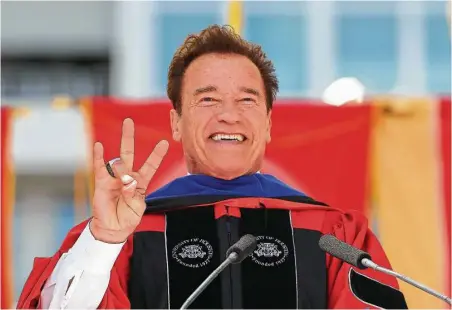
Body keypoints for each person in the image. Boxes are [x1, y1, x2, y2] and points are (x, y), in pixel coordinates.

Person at [17, 25, 407, 309]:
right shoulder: (126, 234)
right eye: (207, 100)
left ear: (269, 124)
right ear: (175, 123)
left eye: (247, 100)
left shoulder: (332, 233)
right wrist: (103, 241)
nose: (229, 116)